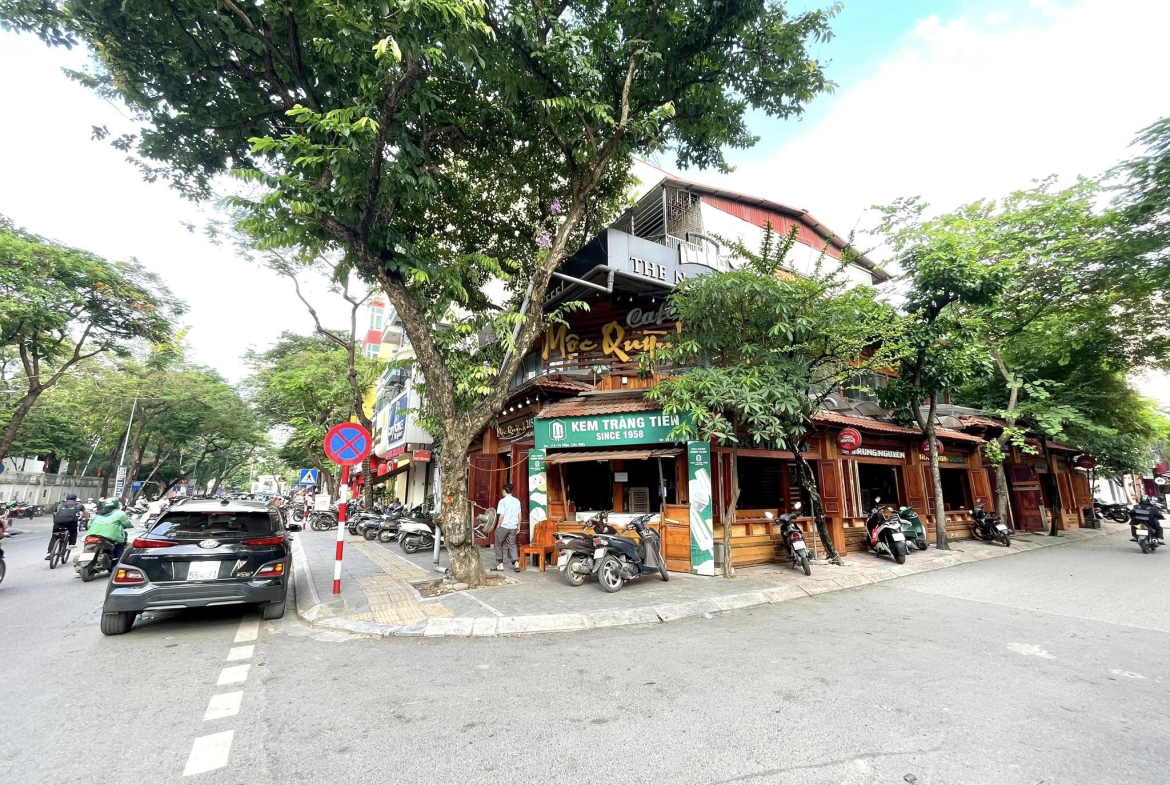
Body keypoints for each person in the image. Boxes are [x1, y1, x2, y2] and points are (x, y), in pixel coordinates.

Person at [493, 483, 521, 573]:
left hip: (504, 526)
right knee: (512, 544)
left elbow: (502, 515)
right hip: (513, 527)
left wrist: (498, 525)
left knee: (498, 544)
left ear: (504, 491)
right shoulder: (517, 501)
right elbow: (519, 515)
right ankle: (516, 563)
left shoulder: (502, 501)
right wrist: (518, 526)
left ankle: (500, 564)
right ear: (512, 491)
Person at [46, 493, 83, 559]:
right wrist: (86, 518)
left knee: (54, 536)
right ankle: (71, 544)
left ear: (66, 499)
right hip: (71, 524)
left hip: (58, 523)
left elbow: (53, 512)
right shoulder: (78, 505)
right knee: (73, 532)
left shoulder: (60, 505)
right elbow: (86, 513)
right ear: (75, 499)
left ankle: (50, 552)